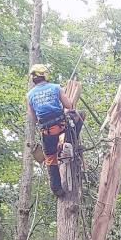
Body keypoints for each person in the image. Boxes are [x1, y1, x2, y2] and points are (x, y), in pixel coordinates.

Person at [27, 64, 84, 197]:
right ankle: (68, 143)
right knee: (80, 115)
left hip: (47, 132)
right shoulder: (55, 88)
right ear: (45, 75)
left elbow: (33, 118)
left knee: (50, 158)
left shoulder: (29, 95)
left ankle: (57, 189)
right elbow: (69, 106)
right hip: (62, 126)